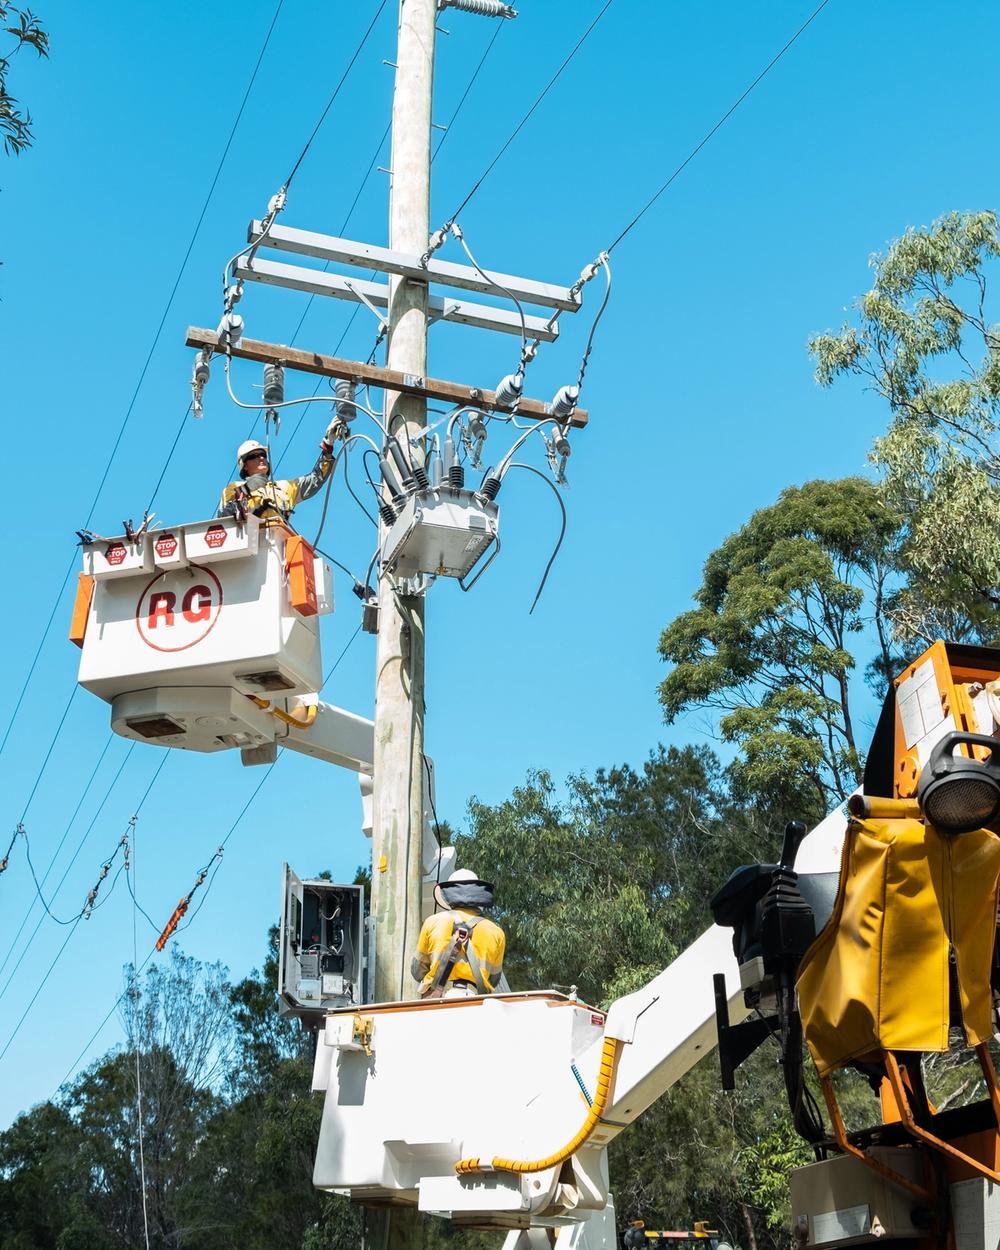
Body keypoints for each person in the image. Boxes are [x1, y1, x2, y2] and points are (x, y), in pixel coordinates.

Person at [217, 422, 341, 524]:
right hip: (251, 544)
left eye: (263, 455)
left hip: (279, 545)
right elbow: (223, 517)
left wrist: (328, 445)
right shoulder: (234, 488)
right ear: (245, 466)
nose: (261, 458)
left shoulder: (285, 487)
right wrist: (246, 490)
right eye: (254, 456)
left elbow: (315, 479)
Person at [411, 868, 505, 1000]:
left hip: (436, 1000)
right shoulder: (496, 932)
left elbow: (417, 971)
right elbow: (494, 979)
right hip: (476, 1002)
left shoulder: (432, 922)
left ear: (448, 894)